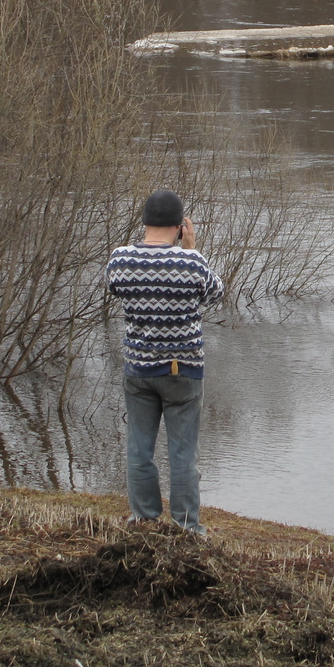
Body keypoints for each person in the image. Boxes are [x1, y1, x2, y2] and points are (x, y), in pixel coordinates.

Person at [106, 188, 224, 534]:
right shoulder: (191, 261)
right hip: (183, 370)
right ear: (179, 226)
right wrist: (191, 249)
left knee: (140, 448)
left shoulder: (120, 259)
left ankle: (143, 518)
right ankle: (187, 527)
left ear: (144, 223)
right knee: (183, 455)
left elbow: (114, 289)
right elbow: (216, 293)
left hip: (139, 368)